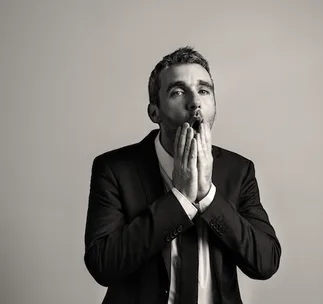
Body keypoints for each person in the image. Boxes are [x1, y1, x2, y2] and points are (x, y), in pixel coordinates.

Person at [84, 46, 281, 304]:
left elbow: (265, 262)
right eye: (178, 92)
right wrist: (178, 202)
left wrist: (208, 196)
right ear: (154, 112)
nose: (195, 102)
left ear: (214, 104)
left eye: (203, 90)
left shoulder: (239, 170)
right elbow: (103, 265)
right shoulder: (114, 169)